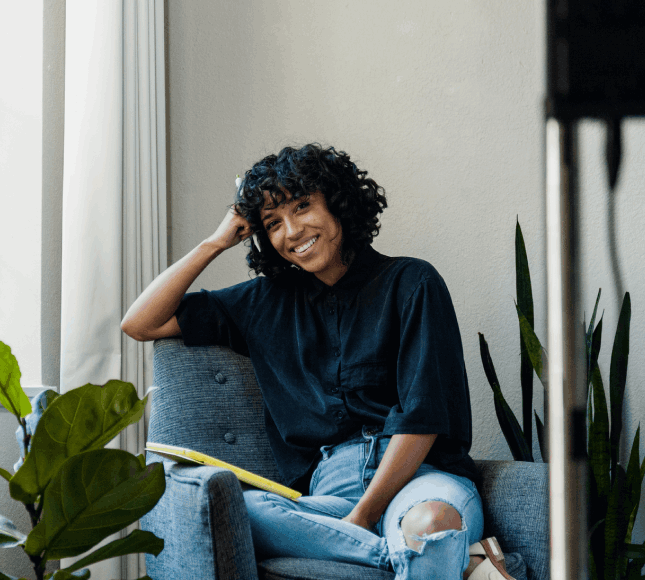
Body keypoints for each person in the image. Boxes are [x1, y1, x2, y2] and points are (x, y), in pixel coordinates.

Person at [121, 143, 516, 580]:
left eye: (303, 206)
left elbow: (421, 418)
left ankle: (431, 545)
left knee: (430, 526)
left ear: (338, 202)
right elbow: (140, 322)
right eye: (273, 223)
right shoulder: (261, 303)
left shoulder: (412, 281)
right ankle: (468, 561)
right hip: (329, 494)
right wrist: (215, 243)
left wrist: (364, 516)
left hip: (420, 480)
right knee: (239, 510)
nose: (291, 231)